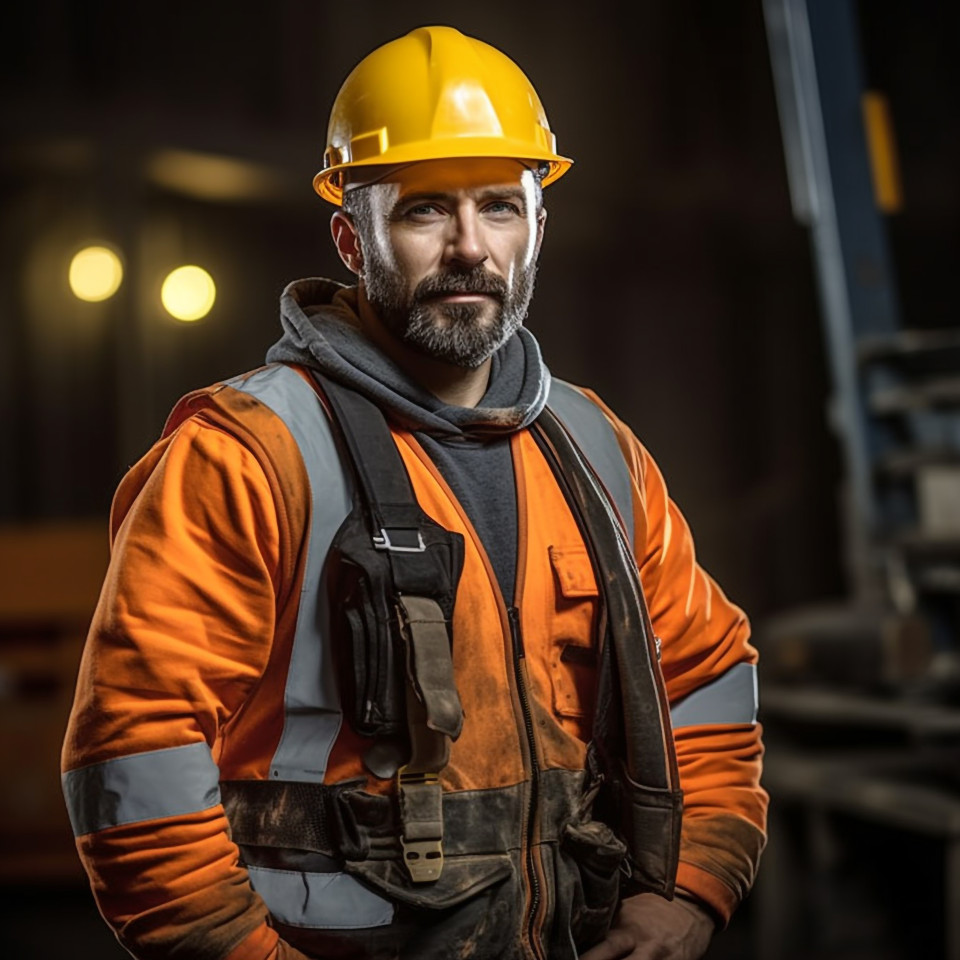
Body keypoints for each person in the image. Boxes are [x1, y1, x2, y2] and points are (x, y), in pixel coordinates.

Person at [61, 24, 767, 960]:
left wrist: (688, 890)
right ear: (352, 238)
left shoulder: (597, 448)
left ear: (538, 226)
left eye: (500, 208)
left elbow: (707, 678)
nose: (471, 247)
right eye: (426, 210)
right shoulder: (247, 455)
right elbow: (134, 752)